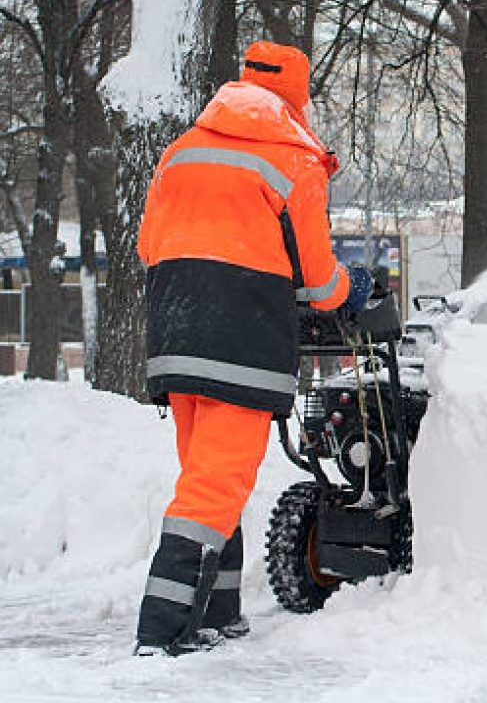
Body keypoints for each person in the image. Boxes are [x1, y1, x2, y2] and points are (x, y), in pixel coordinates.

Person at [133, 41, 374, 656]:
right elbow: (320, 285)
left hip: (174, 335)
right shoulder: (293, 160)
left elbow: (148, 246)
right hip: (238, 343)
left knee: (212, 479)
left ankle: (220, 611)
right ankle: (161, 632)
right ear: (298, 96)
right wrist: (356, 286)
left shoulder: (182, 152)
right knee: (214, 486)